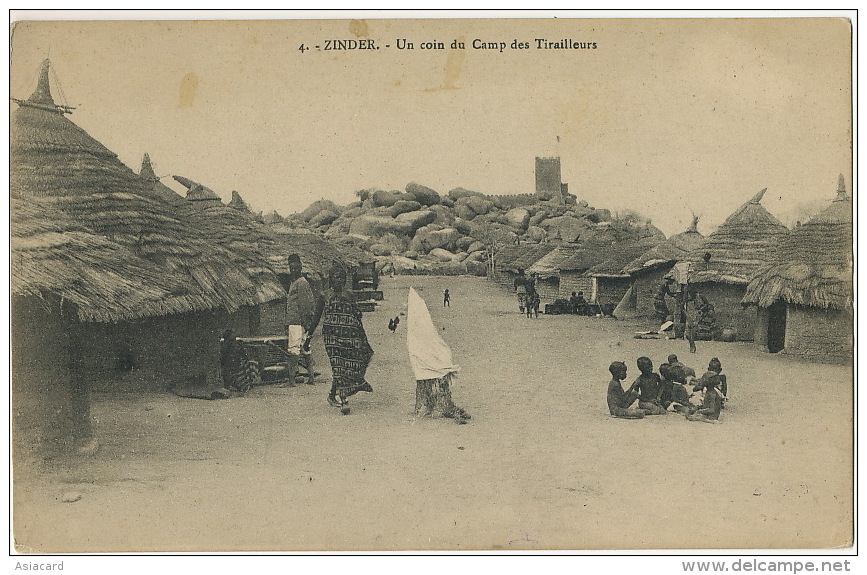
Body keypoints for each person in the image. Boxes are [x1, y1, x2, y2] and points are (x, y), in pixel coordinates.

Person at [407, 287, 470, 424]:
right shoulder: (420, 323)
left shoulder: (418, 323)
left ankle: (435, 405)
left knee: (430, 379)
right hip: (423, 354)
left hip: (423, 354)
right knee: (433, 379)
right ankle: (435, 405)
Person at [323, 265, 374, 414]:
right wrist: (308, 338)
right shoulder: (324, 295)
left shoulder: (349, 295)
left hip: (347, 337)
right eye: (335, 277)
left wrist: (360, 336)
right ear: (330, 279)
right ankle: (344, 400)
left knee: (343, 367)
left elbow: (357, 315)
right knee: (338, 366)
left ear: (345, 280)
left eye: (341, 277)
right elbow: (316, 317)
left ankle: (332, 395)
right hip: (331, 337)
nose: (338, 280)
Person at [283, 254, 316, 386]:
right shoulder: (296, 283)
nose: (293, 271)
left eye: (296, 269)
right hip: (299, 321)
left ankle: (291, 380)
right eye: (291, 269)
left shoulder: (301, 283)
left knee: (294, 349)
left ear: (300, 268)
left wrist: (306, 322)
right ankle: (311, 377)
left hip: (297, 321)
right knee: (305, 348)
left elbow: (305, 305)